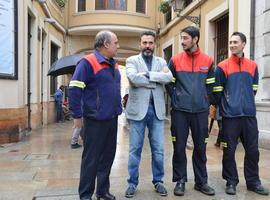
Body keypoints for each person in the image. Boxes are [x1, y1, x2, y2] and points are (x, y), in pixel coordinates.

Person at [212, 32, 269, 196]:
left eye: (235, 42)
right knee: (229, 151)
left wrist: (246, 103)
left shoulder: (253, 66)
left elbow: (254, 88)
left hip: (249, 115)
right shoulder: (222, 66)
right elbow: (217, 92)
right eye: (230, 42)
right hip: (230, 117)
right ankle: (231, 181)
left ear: (243, 44)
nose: (231, 45)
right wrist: (226, 107)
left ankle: (253, 182)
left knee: (253, 151)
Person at [69, 30, 122, 200]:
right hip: (94, 121)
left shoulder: (113, 63)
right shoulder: (87, 62)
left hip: (112, 118)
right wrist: (77, 116)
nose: (118, 46)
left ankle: (102, 191)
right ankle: (85, 195)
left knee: (108, 157)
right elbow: (74, 88)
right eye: (116, 42)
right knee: (91, 160)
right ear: (106, 44)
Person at [165, 26, 215, 196]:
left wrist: (205, 100)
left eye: (186, 38)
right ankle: (180, 181)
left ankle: (201, 182)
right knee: (179, 147)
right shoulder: (175, 60)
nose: (182, 41)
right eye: (182, 38)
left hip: (200, 112)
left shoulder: (208, 61)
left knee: (200, 148)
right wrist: (177, 97)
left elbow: (211, 85)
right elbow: (168, 82)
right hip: (180, 111)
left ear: (195, 39)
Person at [124, 31, 173, 198]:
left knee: (158, 150)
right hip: (137, 111)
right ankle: (132, 183)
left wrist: (148, 76)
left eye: (150, 43)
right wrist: (156, 80)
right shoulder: (132, 60)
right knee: (134, 150)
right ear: (140, 44)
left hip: (157, 111)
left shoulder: (161, 61)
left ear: (154, 44)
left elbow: (169, 78)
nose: (147, 46)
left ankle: (158, 181)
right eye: (144, 42)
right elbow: (132, 78)